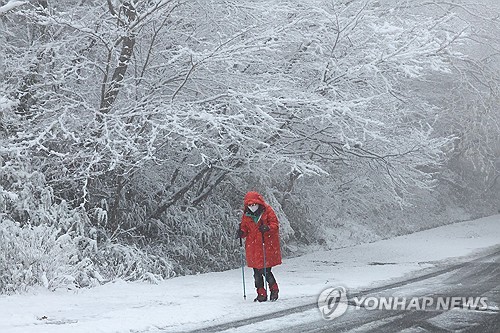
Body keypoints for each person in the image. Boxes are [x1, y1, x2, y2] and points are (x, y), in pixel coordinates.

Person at [237, 191, 282, 302]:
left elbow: (275, 224)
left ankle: (273, 289)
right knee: (256, 272)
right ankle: (262, 293)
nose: (252, 207)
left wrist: (268, 228)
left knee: (265, 270)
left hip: (265, 245)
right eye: (250, 205)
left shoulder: (267, 211)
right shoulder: (246, 215)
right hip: (253, 247)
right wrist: (241, 232)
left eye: (254, 204)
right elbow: (244, 228)